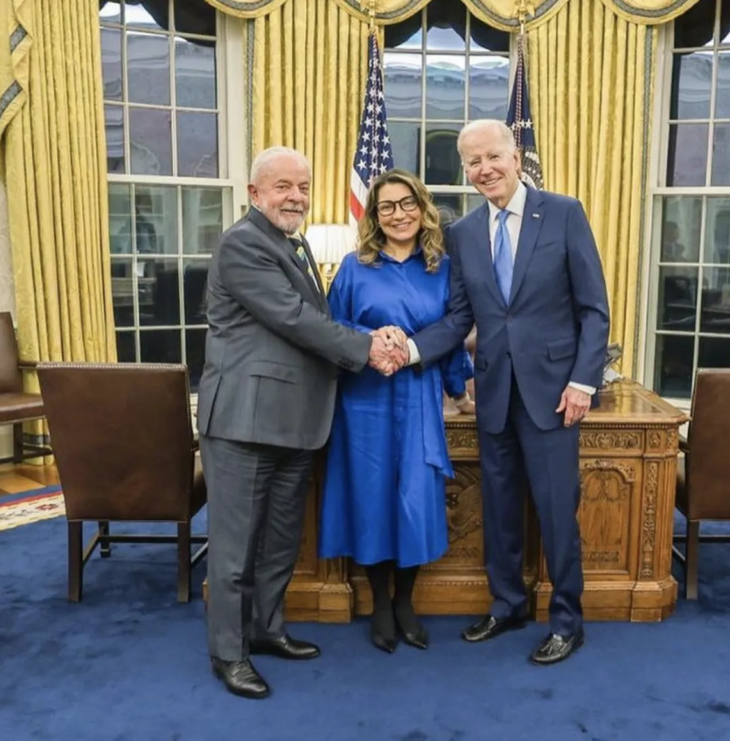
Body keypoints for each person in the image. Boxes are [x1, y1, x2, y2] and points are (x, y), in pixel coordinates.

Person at [404, 120, 610, 665]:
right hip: (493, 394)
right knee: (499, 509)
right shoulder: (464, 232)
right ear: (465, 170)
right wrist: (410, 349)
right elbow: (460, 319)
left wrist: (583, 381)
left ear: (515, 156)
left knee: (556, 511)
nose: (484, 169)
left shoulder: (563, 213)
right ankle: (508, 604)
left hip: (555, 396)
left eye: (492, 156)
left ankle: (567, 621)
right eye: (473, 162)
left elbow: (594, 309)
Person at [197, 146, 399, 699]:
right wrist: (366, 348)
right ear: (254, 193)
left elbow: (313, 319)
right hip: (243, 422)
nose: (296, 197)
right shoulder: (243, 244)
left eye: (303, 187)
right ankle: (229, 654)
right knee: (236, 548)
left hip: (294, 420)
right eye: (283, 186)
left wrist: (366, 338)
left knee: (281, 539)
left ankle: (266, 630)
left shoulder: (294, 242)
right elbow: (293, 319)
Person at [318, 169, 474, 654]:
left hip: (419, 397)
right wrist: (373, 338)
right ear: (374, 215)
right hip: (364, 401)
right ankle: (380, 606)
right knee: (371, 499)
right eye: (386, 206)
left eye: (407, 203)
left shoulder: (443, 268)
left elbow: (453, 332)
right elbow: (330, 326)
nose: (398, 214)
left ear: (422, 208)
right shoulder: (354, 267)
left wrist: (460, 393)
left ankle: (405, 601)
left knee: (414, 500)